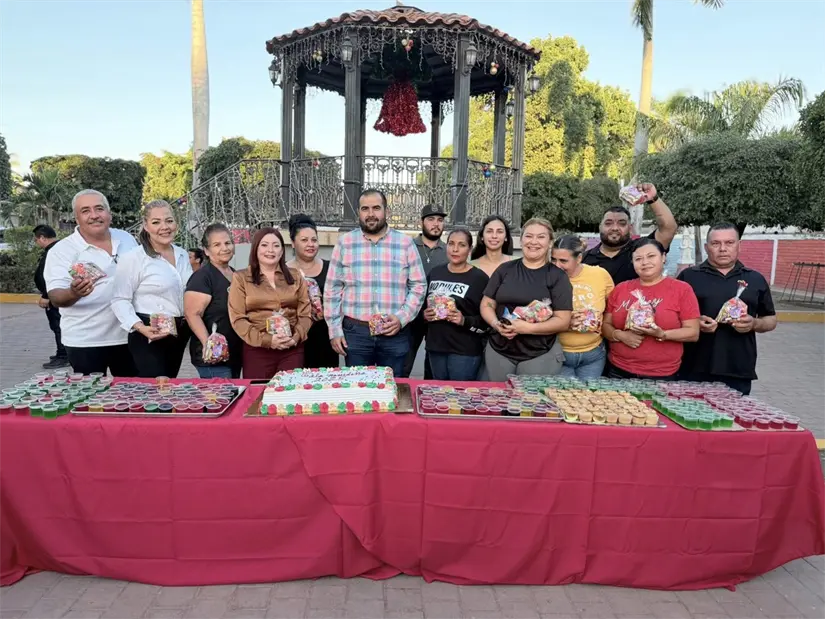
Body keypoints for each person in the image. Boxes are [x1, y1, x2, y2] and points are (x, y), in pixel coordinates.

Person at [324, 189, 427, 376]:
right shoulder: (345, 243)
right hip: (356, 333)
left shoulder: (405, 243)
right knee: (359, 393)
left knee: (393, 390)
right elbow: (333, 288)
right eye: (365, 209)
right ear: (359, 212)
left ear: (386, 211)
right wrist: (335, 330)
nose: (371, 214)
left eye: (376, 208)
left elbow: (419, 285)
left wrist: (402, 318)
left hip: (394, 331)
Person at [44, 189, 138, 376]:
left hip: (129, 335)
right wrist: (73, 293)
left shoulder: (127, 239)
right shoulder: (62, 250)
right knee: (90, 401)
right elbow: (55, 296)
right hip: (85, 341)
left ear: (109, 213)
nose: (94, 215)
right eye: (85, 211)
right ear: (76, 218)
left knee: (131, 398)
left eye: (99, 209)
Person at [677, 223, 777, 395]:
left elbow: (770, 319)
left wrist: (753, 323)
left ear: (739, 245)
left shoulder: (755, 279)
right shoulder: (688, 277)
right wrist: (694, 323)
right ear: (707, 247)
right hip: (693, 367)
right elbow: (670, 316)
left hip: (737, 369)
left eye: (729, 243)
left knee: (733, 421)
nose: (722, 249)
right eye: (716, 244)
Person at [480, 218, 573, 381]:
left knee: (530, 404)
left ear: (550, 242)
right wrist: (496, 324)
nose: (534, 242)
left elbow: (563, 320)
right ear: (521, 239)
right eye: (529, 236)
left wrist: (526, 328)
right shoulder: (505, 269)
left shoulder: (557, 277)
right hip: (499, 351)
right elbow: (487, 303)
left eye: (541, 237)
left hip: (538, 355)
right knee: (497, 400)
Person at [111, 200, 193, 378]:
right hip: (148, 333)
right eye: (156, 222)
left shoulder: (182, 254)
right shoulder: (134, 258)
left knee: (169, 385)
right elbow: (119, 299)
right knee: (155, 390)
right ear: (146, 226)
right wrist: (140, 327)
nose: (164, 227)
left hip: (178, 332)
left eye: (169, 221)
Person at [602, 238, 700, 380]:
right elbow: (605, 325)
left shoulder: (681, 289)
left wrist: (662, 334)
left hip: (662, 374)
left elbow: (693, 332)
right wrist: (621, 336)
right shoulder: (621, 289)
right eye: (638, 259)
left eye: (651, 256)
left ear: (664, 257)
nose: (645, 262)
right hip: (619, 370)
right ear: (633, 263)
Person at [228, 227, 311, 380]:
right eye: (264, 245)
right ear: (256, 249)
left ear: (282, 251)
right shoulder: (241, 278)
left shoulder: (295, 276)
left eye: (276, 245)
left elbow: (305, 314)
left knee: (289, 396)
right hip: (257, 349)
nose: (270, 250)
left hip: (291, 347)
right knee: (259, 396)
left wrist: (295, 338)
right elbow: (238, 318)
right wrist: (268, 341)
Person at [423, 228, 490, 381]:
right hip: (436, 347)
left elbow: (487, 321)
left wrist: (464, 320)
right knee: (437, 395)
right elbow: (422, 307)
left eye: (461, 245)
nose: (455, 249)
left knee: (459, 398)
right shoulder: (435, 272)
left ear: (470, 249)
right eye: (451, 244)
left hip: (464, 351)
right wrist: (424, 315)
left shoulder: (479, 278)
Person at [583, 183, 678, 284]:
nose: (615, 228)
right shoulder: (584, 260)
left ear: (630, 229)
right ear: (600, 227)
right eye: (608, 223)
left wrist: (653, 198)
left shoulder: (642, 250)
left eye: (622, 223)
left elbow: (669, 228)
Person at [184, 223, 243, 378]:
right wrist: (209, 344)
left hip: (234, 354)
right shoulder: (203, 277)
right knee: (221, 399)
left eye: (228, 243)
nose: (224, 248)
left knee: (234, 397)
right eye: (217, 245)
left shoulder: (235, 274)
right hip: (214, 356)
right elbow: (192, 314)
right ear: (207, 250)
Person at [551, 235, 614, 379]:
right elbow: (539, 314)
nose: (556, 265)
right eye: (553, 259)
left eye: (563, 261)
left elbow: (612, 306)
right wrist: (565, 323)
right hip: (559, 353)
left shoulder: (599, 274)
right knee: (562, 399)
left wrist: (599, 322)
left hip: (593, 354)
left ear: (579, 258)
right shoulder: (548, 277)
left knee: (588, 398)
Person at [286, 214, 338, 369]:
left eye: (314, 240)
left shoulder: (330, 268)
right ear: (293, 243)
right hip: (295, 338)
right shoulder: (283, 271)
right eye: (304, 240)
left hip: (325, 338)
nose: (310, 244)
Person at [402, 204, 448, 379]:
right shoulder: (408, 246)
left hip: (438, 317)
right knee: (404, 364)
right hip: (410, 315)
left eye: (440, 220)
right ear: (421, 222)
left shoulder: (449, 251)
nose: (435, 224)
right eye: (431, 219)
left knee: (433, 369)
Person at [33, 225, 69, 369]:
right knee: (57, 325)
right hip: (54, 295)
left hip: (54, 297)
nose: (37, 243)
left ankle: (63, 355)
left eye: (36, 240)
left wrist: (46, 295)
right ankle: (62, 352)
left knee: (58, 325)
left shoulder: (55, 251)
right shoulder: (56, 249)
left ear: (42, 238)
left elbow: (53, 276)